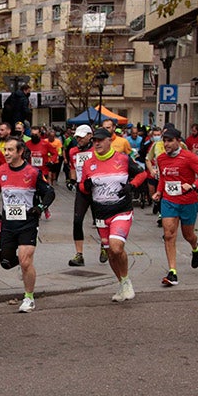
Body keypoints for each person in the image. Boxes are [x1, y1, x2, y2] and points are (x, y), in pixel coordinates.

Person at [79, 127, 148, 302]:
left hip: (121, 210)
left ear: (110, 140)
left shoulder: (123, 159)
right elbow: (82, 186)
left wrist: (131, 186)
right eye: (94, 140)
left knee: (116, 246)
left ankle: (126, 283)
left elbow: (142, 174)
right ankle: (122, 283)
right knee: (110, 253)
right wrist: (85, 186)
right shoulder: (88, 163)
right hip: (101, 214)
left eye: (101, 140)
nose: (97, 143)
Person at [0, 136, 55, 313]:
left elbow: (49, 193)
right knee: (5, 262)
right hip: (8, 224)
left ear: (20, 152)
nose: (6, 153)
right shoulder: (1, 171)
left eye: (10, 150)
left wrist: (40, 207)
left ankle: (29, 298)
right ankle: (23, 268)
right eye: (5, 150)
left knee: (26, 261)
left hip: (27, 223)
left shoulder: (32, 172)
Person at [153, 125, 198, 287]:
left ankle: (195, 247)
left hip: (188, 201)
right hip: (169, 201)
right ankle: (172, 272)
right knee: (169, 234)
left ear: (178, 141)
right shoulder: (161, 158)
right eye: (164, 141)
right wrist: (159, 192)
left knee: (188, 235)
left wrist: (192, 186)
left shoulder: (189, 157)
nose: (166, 144)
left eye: (170, 141)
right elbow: (163, 178)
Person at [65, 124, 95, 266]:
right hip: (81, 190)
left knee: (100, 222)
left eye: (82, 137)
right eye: (77, 137)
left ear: (90, 136)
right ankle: (79, 254)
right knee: (77, 221)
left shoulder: (96, 150)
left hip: (97, 190)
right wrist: (71, 180)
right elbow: (72, 166)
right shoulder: (72, 151)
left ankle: (105, 247)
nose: (79, 139)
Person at [25, 126, 55, 220]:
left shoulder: (45, 144)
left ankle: (45, 207)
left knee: (43, 192)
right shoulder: (27, 144)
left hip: (43, 171)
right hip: (30, 173)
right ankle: (36, 209)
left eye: (36, 134)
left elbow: (54, 152)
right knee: (34, 192)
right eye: (32, 134)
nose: (34, 136)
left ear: (40, 134)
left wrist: (51, 161)